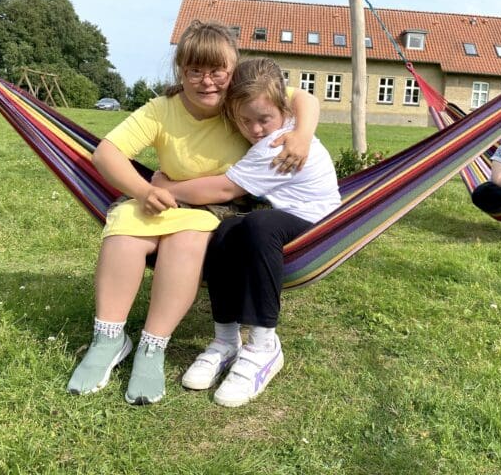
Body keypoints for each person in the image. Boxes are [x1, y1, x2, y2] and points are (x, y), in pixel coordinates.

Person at [67, 21, 320, 405]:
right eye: (195, 72)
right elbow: (106, 153)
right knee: (125, 232)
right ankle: (109, 339)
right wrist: (143, 190)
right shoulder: (161, 110)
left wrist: (301, 134)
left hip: (216, 207)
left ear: (232, 69)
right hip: (163, 198)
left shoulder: (242, 99)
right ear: (180, 72)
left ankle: (153, 347)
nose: (208, 82)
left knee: (185, 241)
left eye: (218, 71)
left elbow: (304, 99)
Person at [152, 57, 341, 407]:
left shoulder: (277, 144)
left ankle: (264, 345)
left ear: (282, 110)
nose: (255, 129)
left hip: (321, 221)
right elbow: (305, 99)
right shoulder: (285, 117)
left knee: (256, 227)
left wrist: (168, 186)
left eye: (264, 119)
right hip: (290, 210)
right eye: (245, 121)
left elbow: (223, 190)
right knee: (226, 231)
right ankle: (226, 339)